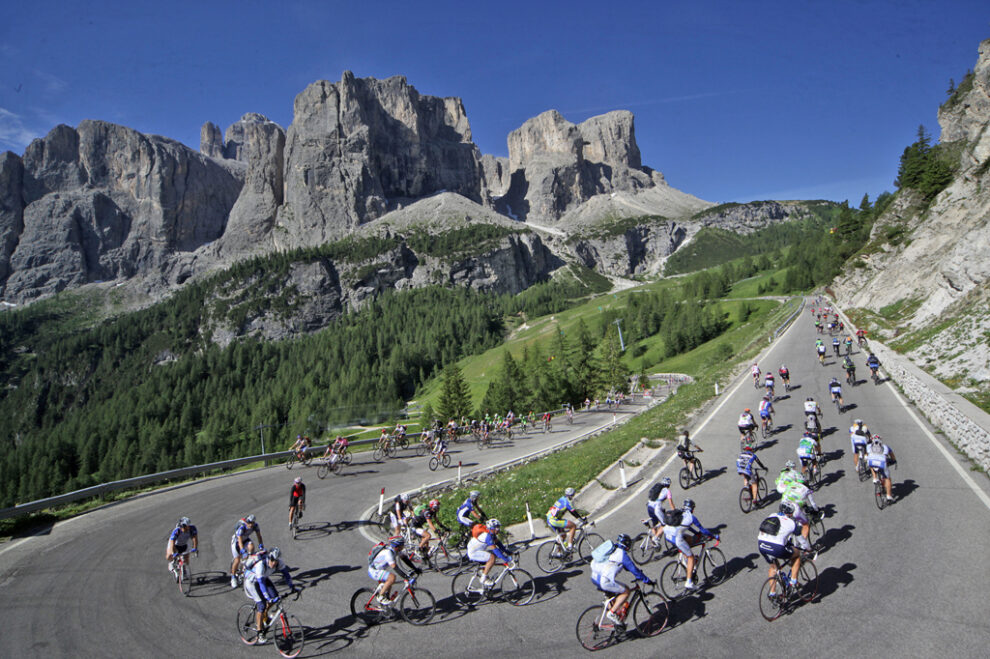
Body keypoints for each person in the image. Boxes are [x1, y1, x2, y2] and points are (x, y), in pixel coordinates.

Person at [589, 533, 655, 628]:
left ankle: (616, 623)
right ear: (627, 546)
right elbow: (634, 570)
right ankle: (611, 613)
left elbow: (624, 567)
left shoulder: (612, 549)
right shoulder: (622, 554)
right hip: (604, 580)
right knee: (626, 591)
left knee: (612, 596)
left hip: (595, 576)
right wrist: (647, 580)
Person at [757, 503, 812, 598]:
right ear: (791, 513)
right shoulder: (792, 523)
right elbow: (801, 540)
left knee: (774, 568)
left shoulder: (772, 515)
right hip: (777, 547)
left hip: (761, 544)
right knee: (797, 555)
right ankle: (793, 581)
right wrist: (809, 549)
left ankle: (772, 594)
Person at [244, 546, 297, 645]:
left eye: (275, 561)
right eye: (272, 560)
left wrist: (292, 587)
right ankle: (260, 634)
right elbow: (261, 584)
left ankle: (264, 616)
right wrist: (267, 597)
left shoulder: (279, 563)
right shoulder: (261, 565)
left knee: (275, 597)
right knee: (262, 605)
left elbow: (286, 575)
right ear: (269, 558)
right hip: (252, 582)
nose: (274, 563)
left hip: (263, 578)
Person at [662, 499, 717, 591]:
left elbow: (687, 526)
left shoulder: (680, 513)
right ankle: (689, 582)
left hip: (668, 535)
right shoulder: (691, 517)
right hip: (677, 537)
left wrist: (696, 533)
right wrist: (714, 536)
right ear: (692, 508)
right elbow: (703, 530)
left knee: (690, 539)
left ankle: (687, 562)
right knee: (690, 556)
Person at [368, 535, 422, 607]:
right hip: (374, 571)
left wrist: (415, 569)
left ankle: (385, 607)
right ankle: (380, 597)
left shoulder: (396, 550)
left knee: (389, 585)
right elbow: (395, 567)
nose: (403, 546)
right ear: (397, 546)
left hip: (379, 570)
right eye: (402, 545)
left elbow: (405, 559)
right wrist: (405, 576)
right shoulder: (388, 553)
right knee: (392, 577)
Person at [466, 518, 513, 585]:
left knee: (490, 558)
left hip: (477, 549)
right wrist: (505, 559)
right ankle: (483, 578)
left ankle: (484, 576)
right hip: (473, 552)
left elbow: (498, 543)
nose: (499, 529)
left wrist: (506, 551)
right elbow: (495, 550)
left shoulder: (491, 534)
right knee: (492, 558)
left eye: (499, 527)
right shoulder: (488, 536)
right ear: (492, 528)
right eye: (497, 527)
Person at [231, 514, 264, 589]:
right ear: (246, 522)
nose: (250, 525)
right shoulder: (242, 527)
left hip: (245, 539)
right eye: (249, 523)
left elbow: (259, 535)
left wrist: (261, 545)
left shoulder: (255, 526)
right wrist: (242, 550)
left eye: (252, 523)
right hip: (236, 542)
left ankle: (246, 564)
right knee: (237, 559)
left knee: (251, 547)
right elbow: (239, 540)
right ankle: (233, 577)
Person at [866, 435, 897, 503]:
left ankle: (875, 478)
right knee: (887, 478)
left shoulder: (868, 446)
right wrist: (893, 461)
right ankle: (888, 495)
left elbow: (866, 456)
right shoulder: (886, 447)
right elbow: (893, 457)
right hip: (881, 463)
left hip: (872, 462)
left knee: (870, 463)